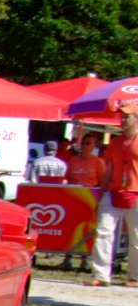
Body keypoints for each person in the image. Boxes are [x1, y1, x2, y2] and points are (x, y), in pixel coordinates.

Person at [87, 106, 138, 287]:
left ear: (136, 118)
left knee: (136, 237)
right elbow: (109, 170)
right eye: (121, 117)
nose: (122, 120)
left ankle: (134, 277)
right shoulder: (115, 142)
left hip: (135, 192)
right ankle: (101, 275)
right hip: (113, 192)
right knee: (103, 232)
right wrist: (101, 194)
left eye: (126, 117)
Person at [61, 133, 106, 270]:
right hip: (73, 199)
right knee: (70, 228)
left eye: (88, 143)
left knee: (87, 229)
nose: (84, 146)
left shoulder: (98, 162)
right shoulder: (73, 160)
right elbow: (66, 178)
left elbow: (102, 181)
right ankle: (67, 258)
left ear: (94, 146)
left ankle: (84, 259)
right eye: (83, 143)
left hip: (89, 200)